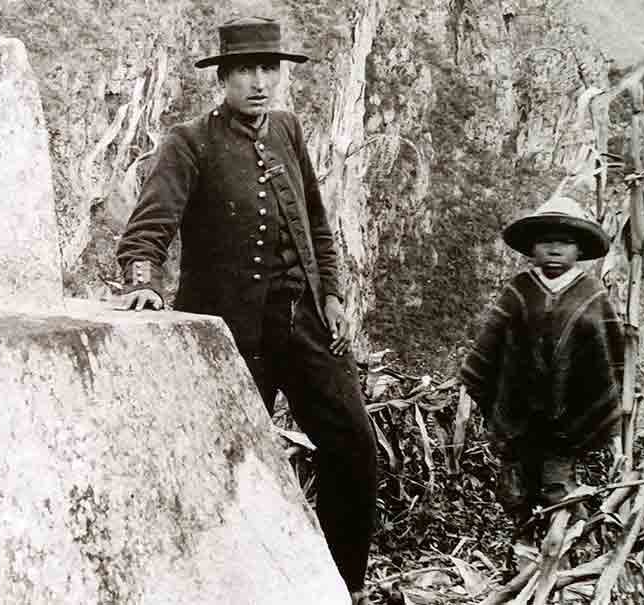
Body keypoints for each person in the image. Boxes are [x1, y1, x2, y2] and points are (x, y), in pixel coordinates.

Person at [114, 17, 377, 604]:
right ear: (224, 77)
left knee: (354, 448)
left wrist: (331, 295)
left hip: (307, 327)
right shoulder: (190, 143)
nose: (259, 82)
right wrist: (144, 284)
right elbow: (146, 232)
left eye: (269, 68)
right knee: (231, 468)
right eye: (245, 70)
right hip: (234, 342)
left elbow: (316, 224)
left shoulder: (287, 128)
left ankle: (340, 586)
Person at [460, 196, 625, 533]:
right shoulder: (519, 290)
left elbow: (608, 356)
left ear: (579, 250)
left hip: (568, 421)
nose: (554, 250)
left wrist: (596, 407)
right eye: (545, 242)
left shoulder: (592, 294)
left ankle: (570, 548)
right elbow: (490, 347)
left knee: (558, 487)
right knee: (516, 488)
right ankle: (524, 552)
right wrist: (489, 395)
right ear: (531, 248)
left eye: (564, 243)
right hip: (519, 413)